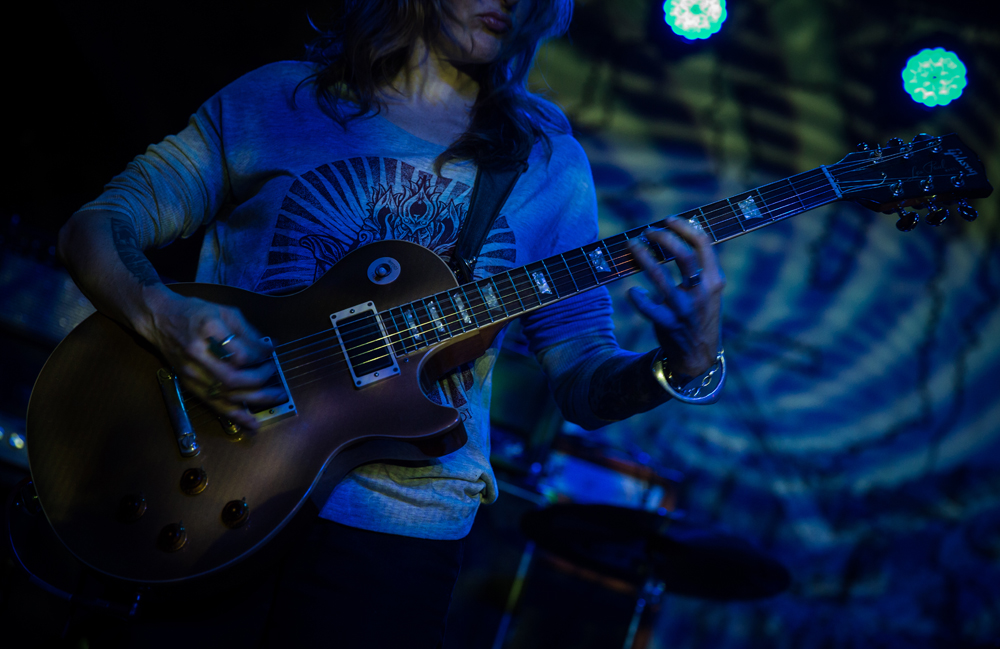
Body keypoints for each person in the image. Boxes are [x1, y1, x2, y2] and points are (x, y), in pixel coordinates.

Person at [57, 0, 724, 646]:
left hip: (395, 542)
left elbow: (581, 380)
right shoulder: (280, 99)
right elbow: (97, 225)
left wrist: (678, 366)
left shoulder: (549, 161)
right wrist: (161, 312)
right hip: (208, 487)